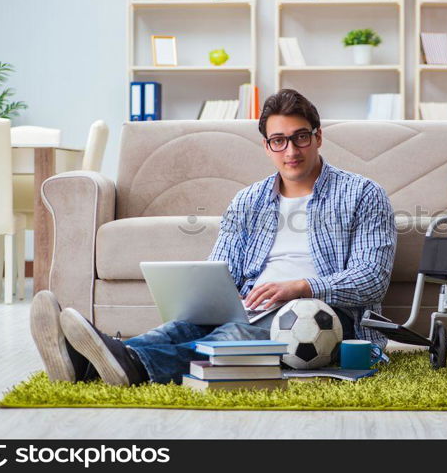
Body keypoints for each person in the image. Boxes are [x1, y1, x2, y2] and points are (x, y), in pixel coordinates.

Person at [30, 89, 396, 386]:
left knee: (238, 332)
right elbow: (220, 267)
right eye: (279, 141)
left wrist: (300, 287)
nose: (291, 151)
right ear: (267, 146)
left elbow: (372, 279)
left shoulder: (363, 194)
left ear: (318, 136)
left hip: (324, 316)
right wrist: (222, 295)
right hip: (254, 306)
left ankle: (130, 362)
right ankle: (87, 363)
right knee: (183, 326)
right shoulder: (248, 200)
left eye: (300, 137)